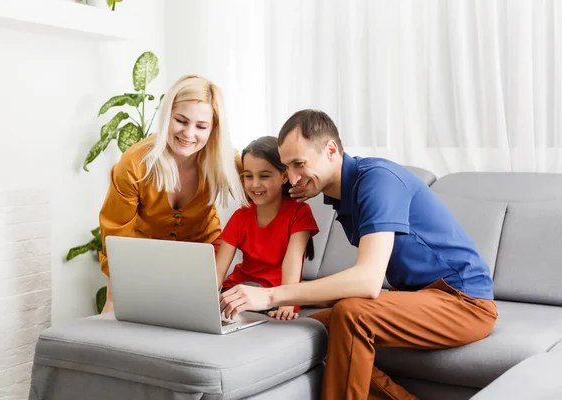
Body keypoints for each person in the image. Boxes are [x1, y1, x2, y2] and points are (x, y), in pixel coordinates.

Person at [219, 110, 497, 399]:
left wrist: (272, 295)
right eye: (287, 167)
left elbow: (367, 281)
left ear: (330, 151)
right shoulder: (342, 194)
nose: (292, 178)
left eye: (299, 164)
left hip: (464, 303)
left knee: (352, 314)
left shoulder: (378, 181)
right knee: (309, 330)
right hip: (420, 298)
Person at [99, 75, 249, 314]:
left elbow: (266, 189)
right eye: (181, 120)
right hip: (144, 258)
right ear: (167, 115)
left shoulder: (227, 160)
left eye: (201, 126)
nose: (188, 134)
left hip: (204, 258)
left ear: (213, 129)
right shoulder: (135, 163)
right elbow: (116, 233)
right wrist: (113, 300)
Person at [215, 136, 319, 320]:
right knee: (231, 294)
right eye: (248, 176)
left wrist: (287, 302)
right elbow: (219, 269)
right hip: (239, 289)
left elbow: (293, 261)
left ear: (284, 176)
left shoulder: (299, 212)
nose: (255, 184)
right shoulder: (241, 216)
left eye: (264, 176)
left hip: (274, 294)